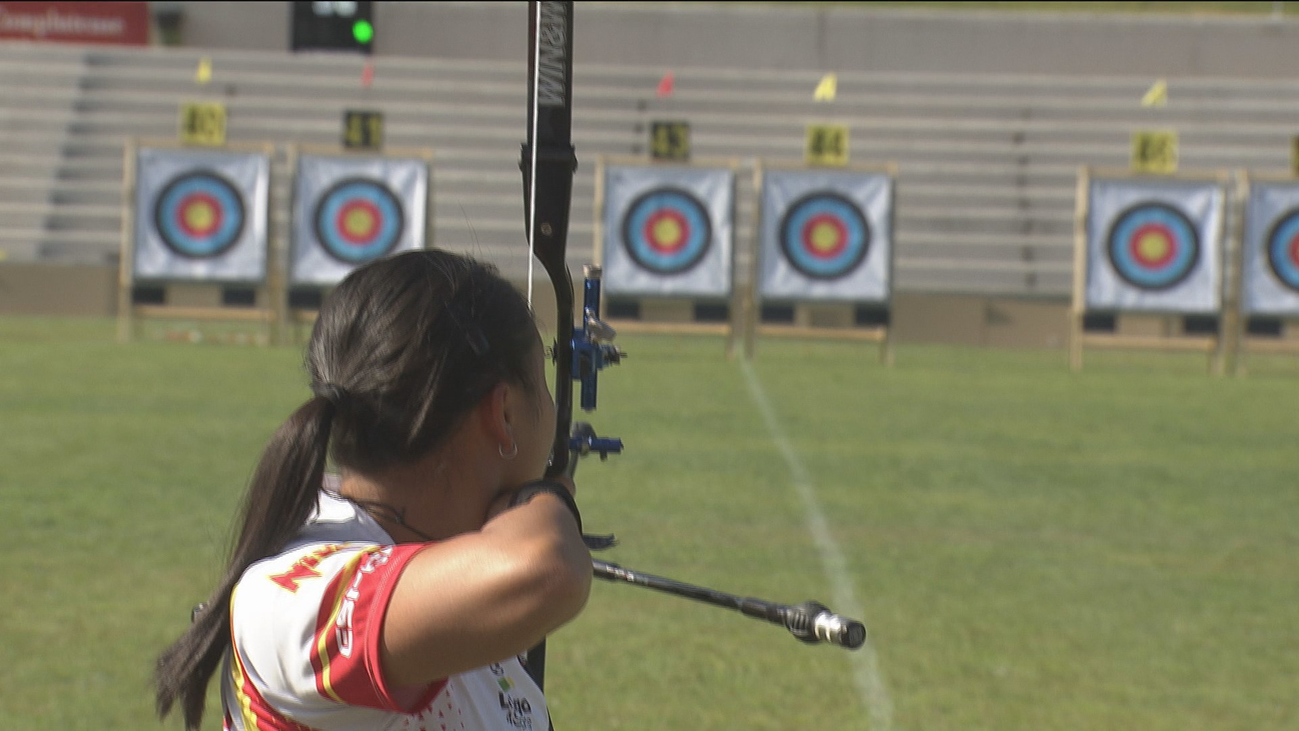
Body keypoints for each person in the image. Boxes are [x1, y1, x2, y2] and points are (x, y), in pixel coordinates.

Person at [154, 250, 592, 731]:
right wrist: (548, 500)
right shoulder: (292, 593)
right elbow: (547, 571)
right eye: (544, 391)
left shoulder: (457, 565)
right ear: (504, 412)